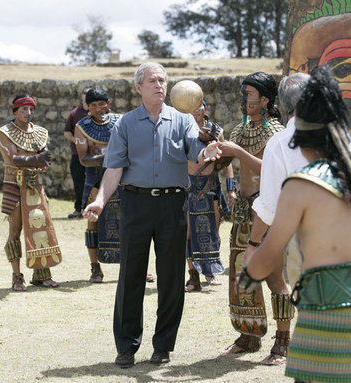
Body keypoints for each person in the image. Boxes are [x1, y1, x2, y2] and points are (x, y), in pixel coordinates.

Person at [238, 65, 351, 382]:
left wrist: (249, 275)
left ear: (302, 140)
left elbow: (271, 250)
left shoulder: (301, 186)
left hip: (322, 301)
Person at [83, 62, 221, 368]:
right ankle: (127, 347)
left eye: (163, 80)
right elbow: (114, 167)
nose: (159, 85)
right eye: (152, 81)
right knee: (131, 275)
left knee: (171, 277)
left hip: (173, 205)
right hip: (136, 204)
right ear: (138, 88)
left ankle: (163, 346)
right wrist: (101, 202)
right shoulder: (126, 124)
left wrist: (206, 153)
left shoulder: (183, 120)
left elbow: (194, 153)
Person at [242, 73, 351, 365]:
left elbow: (268, 204)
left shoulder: (281, 143)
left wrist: (253, 244)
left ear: (283, 106)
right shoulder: (339, 133)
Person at [217, 72, 284, 356]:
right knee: (240, 272)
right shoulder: (239, 131)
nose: (245, 99)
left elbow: (271, 171)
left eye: (250, 94)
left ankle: (283, 339)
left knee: (272, 277)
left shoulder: (278, 134)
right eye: (243, 94)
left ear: (266, 99)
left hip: (269, 212)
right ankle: (249, 333)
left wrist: (236, 151)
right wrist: (214, 147)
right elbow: (226, 163)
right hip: (244, 210)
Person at [0, 94, 61, 291]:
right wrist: (36, 160)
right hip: (14, 185)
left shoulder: (39, 132)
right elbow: (14, 158)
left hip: (34, 185)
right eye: (23, 109)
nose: (28, 113)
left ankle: (42, 274)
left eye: (31, 109)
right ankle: (17, 276)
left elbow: (46, 157)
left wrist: (42, 163)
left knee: (41, 228)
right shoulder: (5, 132)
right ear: (15, 111)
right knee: (15, 231)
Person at [185, 100, 237, 292]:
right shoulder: (180, 130)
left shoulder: (216, 131)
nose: (195, 110)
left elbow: (227, 161)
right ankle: (193, 276)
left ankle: (210, 271)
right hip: (189, 187)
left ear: (205, 108)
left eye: (199, 106)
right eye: (191, 106)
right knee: (188, 233)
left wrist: (231, 188)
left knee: (213, 229)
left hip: (211, 186)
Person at [74, 86, 122, 283]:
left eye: (102, 104)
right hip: (95, 178)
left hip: (121, 177)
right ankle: (95, 268)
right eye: (93, 105)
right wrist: (106, 155)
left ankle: (133, 266)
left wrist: (105, 154)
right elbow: (84, 158)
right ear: (88, 107)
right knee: (92, 221)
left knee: (128, 222)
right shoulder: (81, 127)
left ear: (108, 104)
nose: (99, 108)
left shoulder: (120, 122)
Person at [64, 86, 90, 219]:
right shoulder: (74, 113)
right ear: (82, 96)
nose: (87, 95)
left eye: (90, 93)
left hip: (94, 155)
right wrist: (77, 140)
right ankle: (79, 209)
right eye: (85, 93)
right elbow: (67, 131)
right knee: (79, 182)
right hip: (77, 154)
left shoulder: (96, 111)